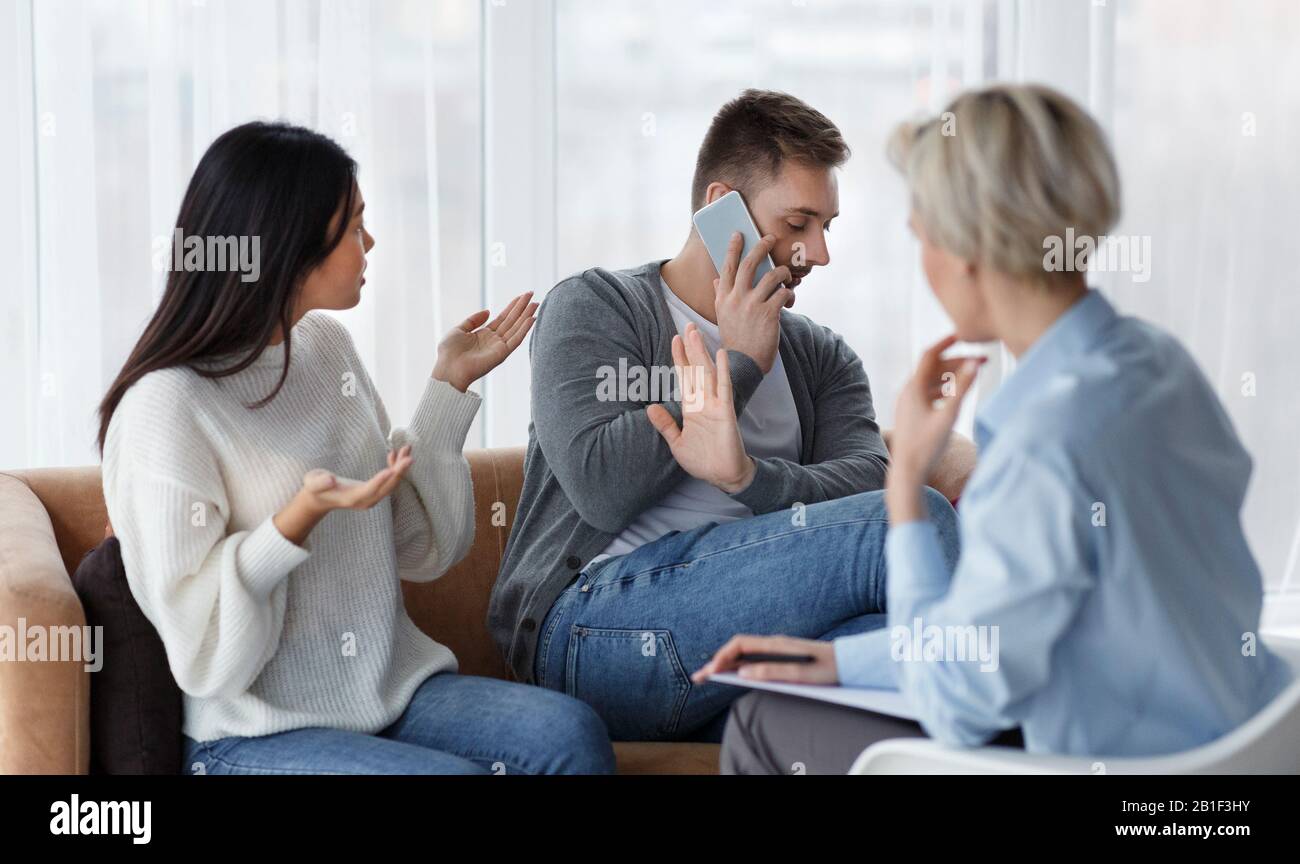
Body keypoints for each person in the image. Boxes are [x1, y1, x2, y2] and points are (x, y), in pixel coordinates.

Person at [686, 84, 1293, 773]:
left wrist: (909, 488)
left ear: (968, 246)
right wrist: (835, 660)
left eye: (922, 238)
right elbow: (1015, 635)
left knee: (764, 719)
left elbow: (959, 698)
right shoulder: (1161, 366)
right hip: (1247, 756)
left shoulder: (1044, 440)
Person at [99, 121, 616, 775]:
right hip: (251, 735)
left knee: (571, 733)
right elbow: (206, 659)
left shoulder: (324, 350)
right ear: (289, 244)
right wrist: (295, 521)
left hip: (390, 697)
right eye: (353, 228)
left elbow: (418, 547)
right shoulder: (166, 406)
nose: (369, 244)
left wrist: (448, 387)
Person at [490, 89, 963, 742]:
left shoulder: (819, 355)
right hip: (597, 633)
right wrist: (737, 364)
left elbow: (867, 481)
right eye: (798, 224)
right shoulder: (596, 306)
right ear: (720, 210)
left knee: (897, 678)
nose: (819, 252)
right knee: (920, 526)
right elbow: (601, 491)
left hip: (748, 643)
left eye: (827, 227)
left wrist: (748, 480)